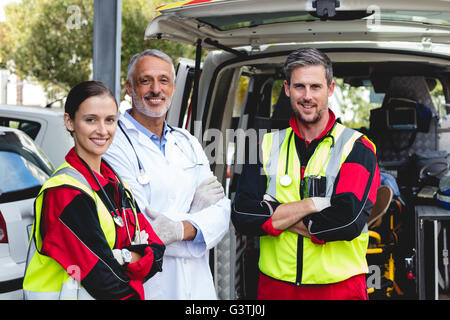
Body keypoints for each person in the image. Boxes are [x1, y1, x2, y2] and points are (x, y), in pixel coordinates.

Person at [231, 48, 380, 300]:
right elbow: (243, 215)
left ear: (330, 89)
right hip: (275, 288)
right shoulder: (264, 146)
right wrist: (311, 206)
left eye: (315, 87)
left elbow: (346, 222)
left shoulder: (357, 147)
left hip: (339, 289)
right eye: (299, 86)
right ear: (287, 89)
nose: (307, 96)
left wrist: (274, 215)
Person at [103, 49, 230, 300]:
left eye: (163, 80)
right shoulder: (113, 142)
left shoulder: (187, 141)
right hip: (151, 286)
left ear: (173, 87)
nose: (155, 89)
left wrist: (178, 229)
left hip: (198, 287)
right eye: (145, 80)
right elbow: (139, 229)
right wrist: (195, 217)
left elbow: (222, 212)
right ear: (129, 88)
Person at [23, 81, 165, 300]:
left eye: (110, 120)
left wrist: (123, 256)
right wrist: (132, 256)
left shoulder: (116, 184)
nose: (102, 130)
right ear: (69, 122)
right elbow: (104, 281)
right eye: (91, 120)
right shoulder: (64, 193)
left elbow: (156, 252)